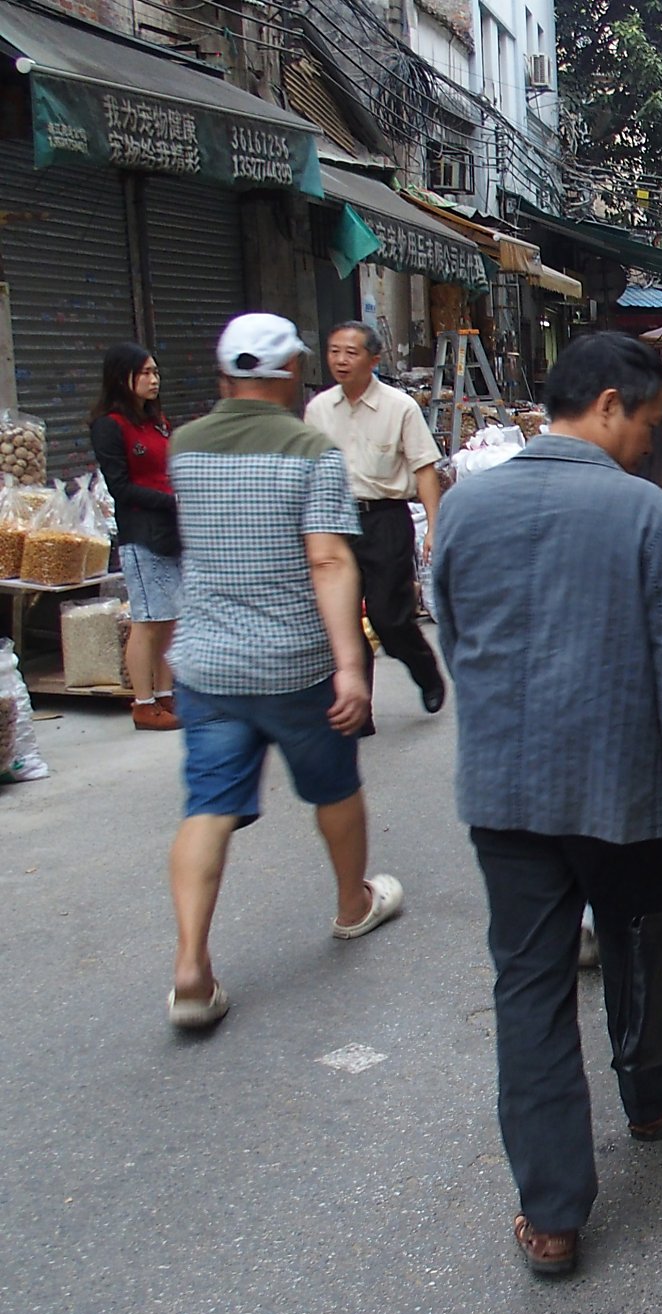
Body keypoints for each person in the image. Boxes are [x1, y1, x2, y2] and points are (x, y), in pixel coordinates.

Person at [433, 331, 662, 1278]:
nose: (650, 445)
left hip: (507, 796)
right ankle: (651, 1100)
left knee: (528, 992)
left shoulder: (467, 508)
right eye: (646, 424)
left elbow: (456, 634)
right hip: (625, 795)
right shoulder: (644, 518)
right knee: (639, 955)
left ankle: (554, 1215)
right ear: (607, 404)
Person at [163, 314, 404, 1031]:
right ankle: (351, 904)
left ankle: (190, 968)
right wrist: (351, 664)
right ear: (290, 370)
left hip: (206, 662)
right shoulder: (309, 449)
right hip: (293, 662)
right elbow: (328, 560)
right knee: (333, 787)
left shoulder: (184, 446)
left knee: (208, 804)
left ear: (223, 375)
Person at [303, 322, 447, 721]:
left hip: (385, 519)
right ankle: (357, 707)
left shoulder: (399, 406)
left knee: (389, 617)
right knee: (342, 618)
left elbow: (424, 469)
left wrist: (434, 527)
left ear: (374, 359)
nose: (341, 360)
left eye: (351, 352)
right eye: (334, 351)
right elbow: (309, 471)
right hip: (335, 520)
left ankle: (425, 670)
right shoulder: (318, 409)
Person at [89, 343, 181, 731]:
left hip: (172, 529)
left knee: (170, 619)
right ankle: (143, 703)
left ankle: (166, 694)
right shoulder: (110, 425)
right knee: (147, 619)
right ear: (122, 377)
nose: (153, 379)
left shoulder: (156, 421)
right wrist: (169, 499)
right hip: (142, 532)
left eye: (156, 372)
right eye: (145, 373)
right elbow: (121, 488)